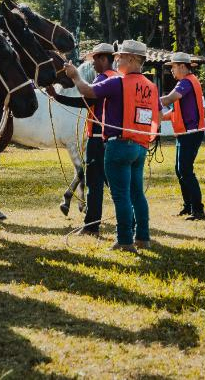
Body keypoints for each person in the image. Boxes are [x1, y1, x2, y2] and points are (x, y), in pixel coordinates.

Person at [64, 40, 159, 253]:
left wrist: (74, 76)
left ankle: (125, 240)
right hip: (140, 146)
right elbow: (157, 111)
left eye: (122, 56)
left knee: (121, 196)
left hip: (118, 145)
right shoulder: (151, 86)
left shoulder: (118, 83)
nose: (117, 59)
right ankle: (143, 237)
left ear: (134, 59)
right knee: (137, 194)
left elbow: (87, 91)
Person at [46, 43, 118, 236]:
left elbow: (87, 100)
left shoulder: (103, 78)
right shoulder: (116, 78)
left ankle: (91, 226)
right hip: (111, 139)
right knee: (115, 184)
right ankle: (132, 222)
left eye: (94, 59)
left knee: (94, 185)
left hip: (98, 139)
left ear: (103, 59)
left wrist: (63, 90)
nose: (92, 64)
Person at [160, 52, 205, 220]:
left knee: (185, 170)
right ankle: (189, 206)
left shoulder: (186, 82)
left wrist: (149, 103)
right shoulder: (185, 82)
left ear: (181, 66)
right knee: (180, 170)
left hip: (191, 133)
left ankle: (198, 210)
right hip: (184, 133)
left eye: (172, 67)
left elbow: (171, 99)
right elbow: (177, 109)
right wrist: (162, 116)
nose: (171, 70)